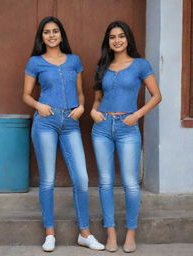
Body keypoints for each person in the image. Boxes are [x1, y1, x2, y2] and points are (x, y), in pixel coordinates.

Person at [23, 16, 104, 252]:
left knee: (82, 178)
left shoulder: (74, 61)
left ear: (61, 34)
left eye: (55, 31)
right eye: (46, 32)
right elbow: (26, 95)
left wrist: (81, 107)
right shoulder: (35, 62)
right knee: (47, 180)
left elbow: (80, 93)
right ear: (41, 37)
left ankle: (85, 233)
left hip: (71, 122)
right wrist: (38, 106)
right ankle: (49, 234)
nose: (51, 35)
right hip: (46, 121)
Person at [91, 21, 162, 253]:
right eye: (112, 37)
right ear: (108, 41)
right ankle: (110, 232)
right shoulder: (102, 65)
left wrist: (137, 115)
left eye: (121, 36)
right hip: (102, 128)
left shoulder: (141, 65)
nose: (117, 40)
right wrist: (93, 111)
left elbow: (156, 95)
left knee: (131, 183)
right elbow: (98, 101)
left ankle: (131, 233)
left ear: (128, 39)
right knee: (105, 182)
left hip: (127, 128)